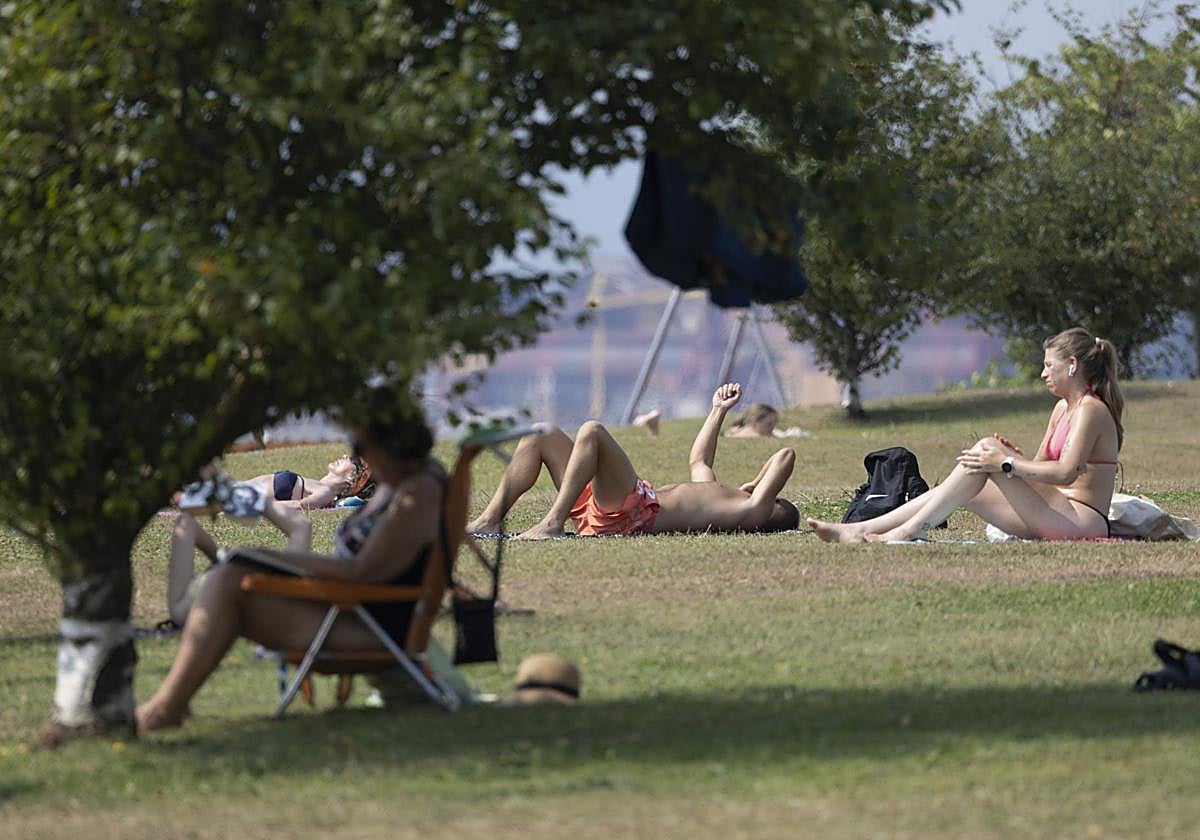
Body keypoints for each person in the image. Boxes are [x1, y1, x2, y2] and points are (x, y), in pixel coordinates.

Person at [137, 390, 443, 732]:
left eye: (360, 446)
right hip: (349, 611)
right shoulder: (403, 484)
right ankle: (169, 706)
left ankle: (166, 709)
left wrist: (272, 558)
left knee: (228, 579)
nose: (358, 455)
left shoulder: (418, 492)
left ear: (388, 441)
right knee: (231, 574)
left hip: (369, 628)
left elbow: (360, 571)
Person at [807, 327, 1123, 543]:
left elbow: (1066, 474)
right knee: (965, 477)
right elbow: (1042, 467)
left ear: (1071, 365)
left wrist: (1006, 464)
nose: (1043, 374)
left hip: (1080, 521)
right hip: (1054, 513)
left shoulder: (1090, 409)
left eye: (1048, 366)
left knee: (987, 449)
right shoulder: (1062, 409)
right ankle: (861, 529)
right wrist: (1008, 458)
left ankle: (904, 533)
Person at [466, 382, 800, 539]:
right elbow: (699, 458)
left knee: (593, 432)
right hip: (616, 505)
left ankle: (552, 524)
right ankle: (490, 519)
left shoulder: (750, 512)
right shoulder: (718, 496)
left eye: (775, 498)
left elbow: (786, 455)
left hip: (632, 512)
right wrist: (717, 411)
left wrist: (758, 486)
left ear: (772, 509)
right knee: (543, 434)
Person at [164, 498, 312, 627]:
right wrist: (258, 500)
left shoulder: (187, 610)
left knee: (184, 523)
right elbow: (302, 527)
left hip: (206, 599)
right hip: (238, 585)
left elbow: (302, 527)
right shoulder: (280, 599)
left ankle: (221, 557)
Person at [246, 454, 375, 510]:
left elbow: (299, 506)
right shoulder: (319, 485)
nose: (346, 456)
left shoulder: (325, 492)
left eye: (353, 460)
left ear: (352, 480)